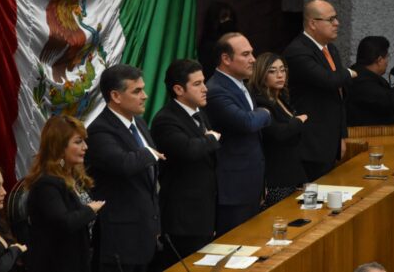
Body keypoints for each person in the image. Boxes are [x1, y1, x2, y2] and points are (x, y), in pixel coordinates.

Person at [86, 64, 165, 272]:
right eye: (137, 91)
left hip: (145, 235)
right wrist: (148, 153)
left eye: (143, 89)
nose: (145, 96)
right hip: (120, 241)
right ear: (116, 96)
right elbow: (123, 164)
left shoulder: (138, 124)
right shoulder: (99, 131)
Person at [150, 59, 221, 266]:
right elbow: (189, 150)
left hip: (205, 212)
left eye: (204, 82)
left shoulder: (199, 114)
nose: (205, 89)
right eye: (197, 84)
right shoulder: (166, 120)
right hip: (183, 218)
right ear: (179, 89)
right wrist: (210, 139)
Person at [204, 33, 272, 235]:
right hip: (233, 188)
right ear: (226, 59)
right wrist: (265, 112)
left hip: (251, 182)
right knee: (235, 245)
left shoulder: (241, 84)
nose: (253, 59)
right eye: (246, 54)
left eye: (252, 53)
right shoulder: (216, 90)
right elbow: (247, 123)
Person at [283, 0, 357, 182]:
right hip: (310, 142)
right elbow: (328, 81)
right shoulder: (298, 51)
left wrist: (341, 136)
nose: (337, 23)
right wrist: (349, 72)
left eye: (336, 18)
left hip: (330, 140)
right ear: (313, 23)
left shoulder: (331, 49)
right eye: (330, 19)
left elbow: (338, 96)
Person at [23, 115, 105, 272]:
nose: (85, 147)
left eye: (84, 141)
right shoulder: (46, 184)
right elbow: (63, 223)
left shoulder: (76, 178)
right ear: (59, 147)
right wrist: (90, 210)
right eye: (78, 142)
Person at [248, 53, 308, 208]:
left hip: (292, 172)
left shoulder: (280, 97)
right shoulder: (261, 102)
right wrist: (298, 121)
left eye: (282, 70)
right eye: (272, 71)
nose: (280, 75)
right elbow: (278, 133)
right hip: (276, 177)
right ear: (262, 74)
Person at [346, 36, 394, 126]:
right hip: (368, 137)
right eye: (387, 57)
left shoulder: (365, 76)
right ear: (379, 60)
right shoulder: (359, 80)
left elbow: (382, 101)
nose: (387, 62)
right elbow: (388, 104)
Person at [197, 1, 238, 80]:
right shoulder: (208, 46)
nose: (228, 21)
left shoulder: (237, 40)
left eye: (230, 18)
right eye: (223, 18)